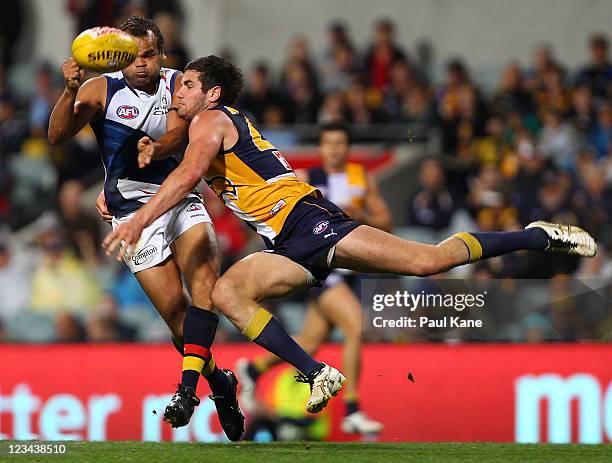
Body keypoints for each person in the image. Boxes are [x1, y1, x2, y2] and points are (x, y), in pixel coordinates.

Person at [102, 55, 597, 428]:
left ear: (210, 94)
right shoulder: (202, 125)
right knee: (227, 293)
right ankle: (317, 372)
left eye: (186, 84)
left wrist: (136, 219)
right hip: (283, 239)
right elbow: (175, 154)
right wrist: (118, 188)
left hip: (307, 220)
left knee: (430, 261)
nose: (177, 91)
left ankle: (535, 235)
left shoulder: (211, 121)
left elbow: (189, 173)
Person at [48, 18, 243, 440]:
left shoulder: (179, 84)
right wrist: (68, 90)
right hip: (131, 215)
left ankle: (187, 390)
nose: (142, 63)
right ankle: (220, 384)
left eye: (149, 55)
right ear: (121, 56)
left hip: (180, 200)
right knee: (178, 320)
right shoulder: (102, 89)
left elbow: (178, 134)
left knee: (205, 280)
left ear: (163, 55)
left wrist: (157, 148)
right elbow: (56, 136)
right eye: (133, 56)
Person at [236, 123, 389, 434]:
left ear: (347, 147)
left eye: (341, 142)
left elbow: (386, 219)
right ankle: (353, 410)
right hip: (322, 269)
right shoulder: (306, 179)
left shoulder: (362, 179)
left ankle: (253, 368)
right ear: (321, 148)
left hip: (349, 272)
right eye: (329, 143)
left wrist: (360, 217)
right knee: (356, 325)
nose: (335, 148)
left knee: (310, 343)